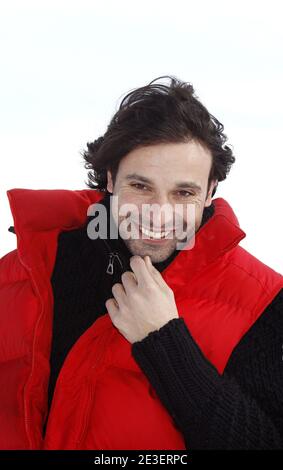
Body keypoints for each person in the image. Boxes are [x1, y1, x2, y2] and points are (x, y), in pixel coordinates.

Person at [0, 76, 282, 450]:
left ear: (211, 190)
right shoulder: (21, 271)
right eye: (141, 187)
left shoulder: (264, 302)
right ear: (111, 178)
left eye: (183, 193)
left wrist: (164, 341)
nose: (159, 214)